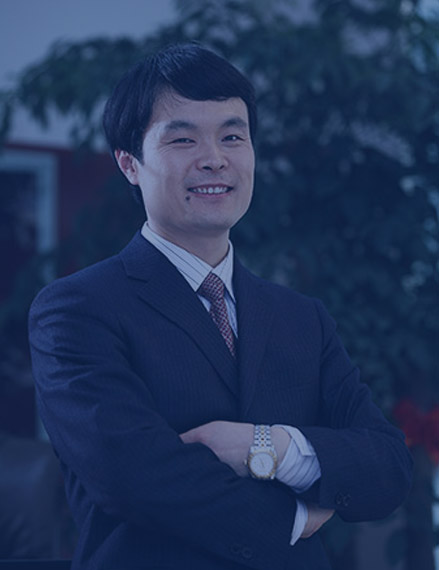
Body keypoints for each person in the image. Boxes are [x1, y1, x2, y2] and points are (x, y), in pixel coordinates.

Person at [29, 43, 412, 570]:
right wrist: (296, 516)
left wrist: (269, 447)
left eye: (233, 136)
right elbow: (134, 477)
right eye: (183, 139)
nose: (215, 158)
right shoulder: (76, 310)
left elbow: (388, 468)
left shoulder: (302, 318)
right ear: (130, 164)